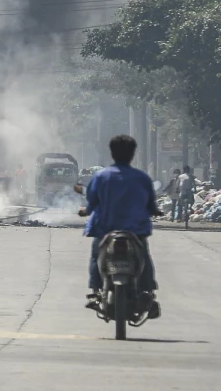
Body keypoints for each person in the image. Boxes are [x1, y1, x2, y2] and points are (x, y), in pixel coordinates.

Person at [80, 135, 161, 318]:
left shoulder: (101, 176)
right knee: (144, 258)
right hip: (135, 230)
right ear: (132, 154)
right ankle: (149, 293)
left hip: (105, 229)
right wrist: (154, 211)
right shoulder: (142, 178)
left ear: (112, 153)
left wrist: (86, 211)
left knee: (96, 256)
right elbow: (151, 206)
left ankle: (95, 291)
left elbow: (91, 203)